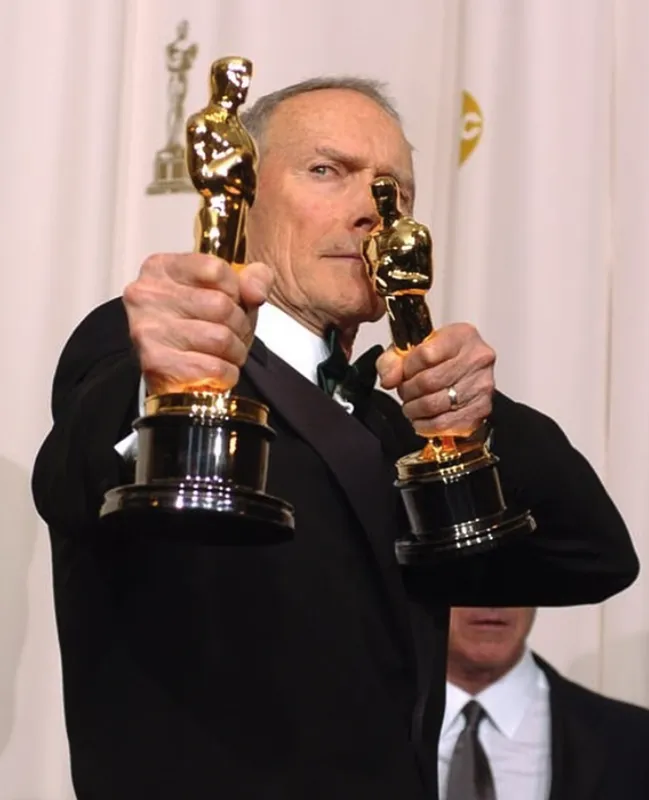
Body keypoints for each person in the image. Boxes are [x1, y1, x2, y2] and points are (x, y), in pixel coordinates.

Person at [31, 75, 639, 800]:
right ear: (243, 196)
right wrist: (169, 380)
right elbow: (77, 477)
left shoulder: (397, 428)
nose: (369, 214)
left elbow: (589, 558)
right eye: (326, 171)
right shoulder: (140, 353)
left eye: (395, 194)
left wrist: (474, 417)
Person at [440, 607, 649, 800]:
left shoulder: (637, 742)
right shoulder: (406, 729)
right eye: (466, 575)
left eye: (511, 577)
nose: (493, 599)